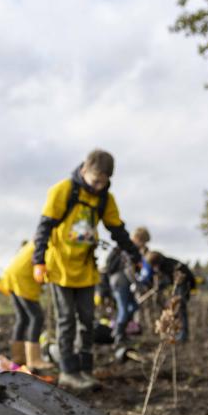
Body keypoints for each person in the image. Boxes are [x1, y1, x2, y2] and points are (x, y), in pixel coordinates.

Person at [33, 148, 140, 392]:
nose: (99, 186)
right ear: (84, 170)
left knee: (87, 322)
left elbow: (118, 231)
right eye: (95, 181)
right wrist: (39, 261)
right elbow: (44, 228)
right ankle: (68, 372)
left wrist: (135, 256)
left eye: (104, 182)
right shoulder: (63, 191)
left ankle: (85, 370)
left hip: (86, 270)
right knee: (66, 320)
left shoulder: (104, 199)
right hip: (60, 268)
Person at [0, 241, 48, 371]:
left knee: (23, 318)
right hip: (22, 279)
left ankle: (18, 357)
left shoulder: (32, 243)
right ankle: (34, 359)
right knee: (37, 317)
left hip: (11, 277)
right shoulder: (49, 241)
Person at [143, 249, 196, 342]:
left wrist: (160, 286)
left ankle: (183, 335)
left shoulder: (167, 265)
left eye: (153, 266)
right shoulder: (165, 262)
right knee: (175, 309)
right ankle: (176, 333)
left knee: (180, 308)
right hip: (181, 284)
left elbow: (171, 280)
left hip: (184, 284)